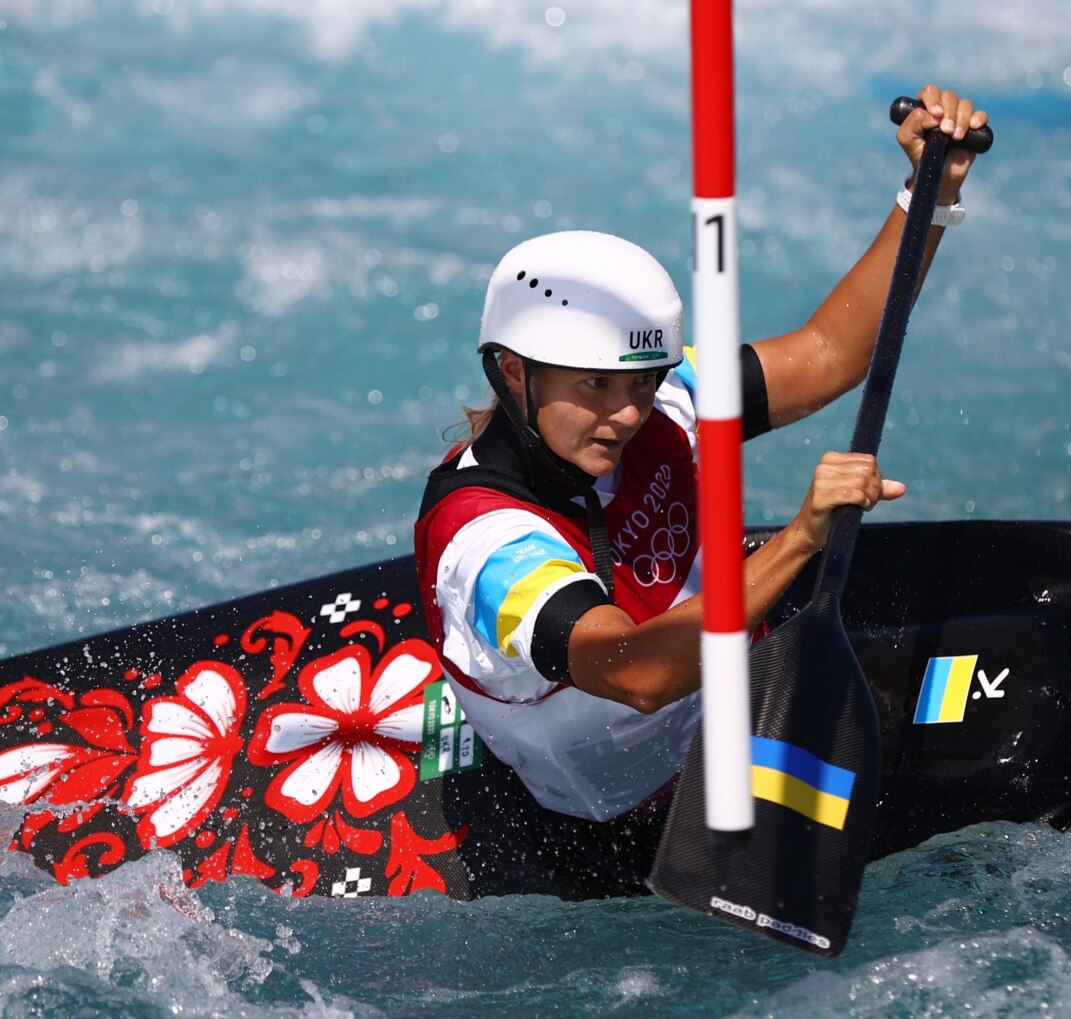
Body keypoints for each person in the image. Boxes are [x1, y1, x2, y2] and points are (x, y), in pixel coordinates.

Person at [414, 85, 987, 851]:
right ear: (514, 372)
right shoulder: (488, 545)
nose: (628, 413)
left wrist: (928, 194)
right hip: (638, 810)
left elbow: (827, 354)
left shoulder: (660, 396)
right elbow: (636, 674)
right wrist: (799, 539)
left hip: (750, 688)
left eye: (641, 381)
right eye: (595, 385)